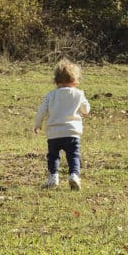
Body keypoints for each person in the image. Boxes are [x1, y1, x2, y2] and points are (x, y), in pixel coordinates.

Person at [34, 59, 91, 190]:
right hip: (72, 132)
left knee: (53, 156)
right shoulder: (78, 94)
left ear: (56, 80)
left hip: (54, 134)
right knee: (73, 156)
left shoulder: (51, 95)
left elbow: (42, 111)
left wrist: (37, 124)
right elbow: (86, 110)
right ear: (75, 80)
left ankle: (53, 177)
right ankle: (74, 175)